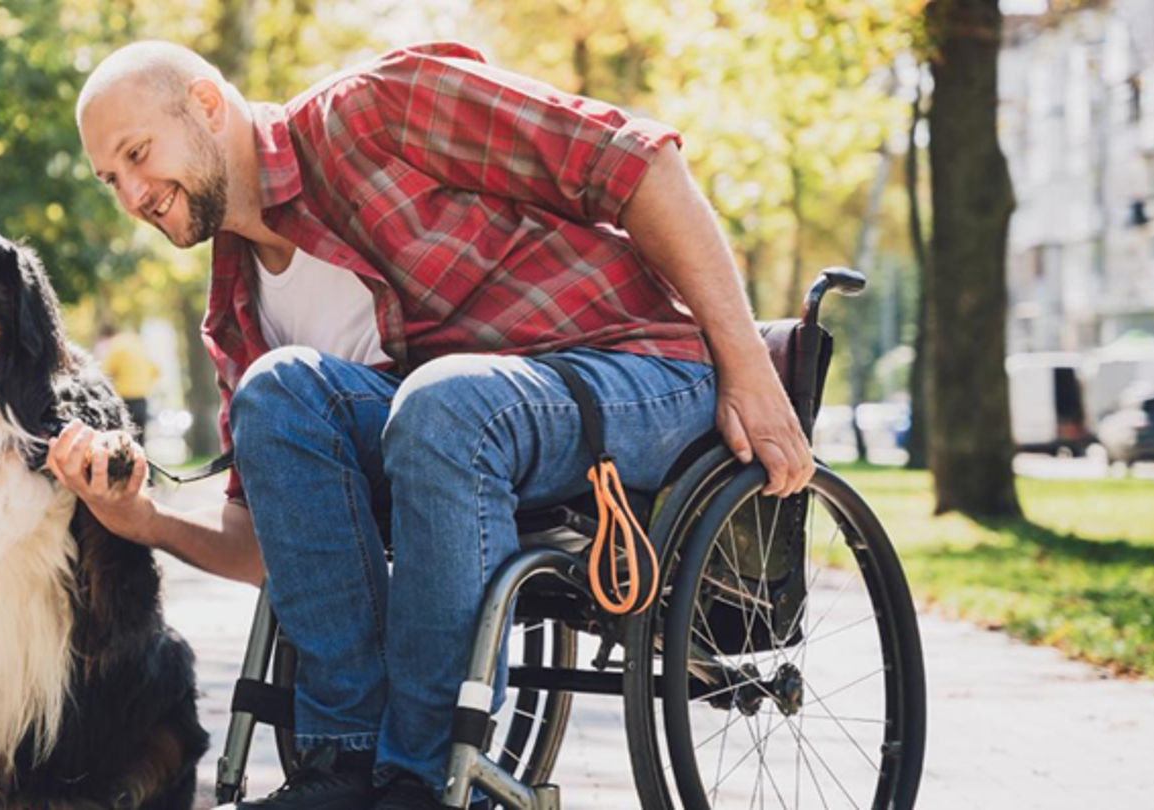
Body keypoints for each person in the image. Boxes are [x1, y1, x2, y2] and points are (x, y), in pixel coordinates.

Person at [53, 40, 816, 810]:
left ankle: (423, 782)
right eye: (111, 178)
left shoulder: (379, 111)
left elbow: (638, 163)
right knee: (277, 390)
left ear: (208, 105)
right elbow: (277, 549)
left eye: (138, 154)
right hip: (469, 424)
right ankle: (344, 768)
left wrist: (749, 366)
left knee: (442, 400)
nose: (133, 194)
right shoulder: (238, 310)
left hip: (639, 371)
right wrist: (144, 520)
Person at [97, 322, 161, 444]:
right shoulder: (137, 343)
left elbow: (105, 373)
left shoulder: (115, 345)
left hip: (124, 399)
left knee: (125, 440)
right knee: (140, 441)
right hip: (142, 398)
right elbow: (155, 370)